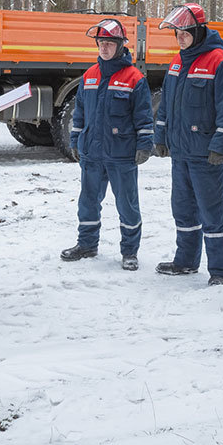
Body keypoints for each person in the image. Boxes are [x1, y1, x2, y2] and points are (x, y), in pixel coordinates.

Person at [152, 3, 223, 285]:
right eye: (177, 32)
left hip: (206, 154)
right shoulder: (178, 61)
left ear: (199, 30)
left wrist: (220, 145)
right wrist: (161, 137)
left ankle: (219, 270)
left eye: (185, 32)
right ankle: (186, 261)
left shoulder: (219, 61)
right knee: (183, 208)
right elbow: (166, 104)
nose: (180, 37)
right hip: (180, 152)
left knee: (212, 211)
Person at [62, 18, 154, 270]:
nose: (104, 48)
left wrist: (145, 143)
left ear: (121, 45)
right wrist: (75, 140)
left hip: (121, 153)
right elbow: (79, 113)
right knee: (88, 201)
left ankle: (129, 252)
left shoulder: (134, 77)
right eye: (101, 43)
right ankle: (87, 245)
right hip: (92, 151)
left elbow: (144, 115)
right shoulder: (90, 75)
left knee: (127, 204)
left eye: (109, 43)